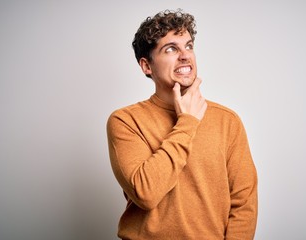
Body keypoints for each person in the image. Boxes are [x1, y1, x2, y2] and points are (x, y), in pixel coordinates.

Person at [107, 9, 258, 239]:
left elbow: (244, 202)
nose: (185, 56)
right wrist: (187, 122)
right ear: (147, 66)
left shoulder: (227, 121)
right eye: (171, 49)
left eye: (188, 46)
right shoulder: (125, 121)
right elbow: (146, 193)